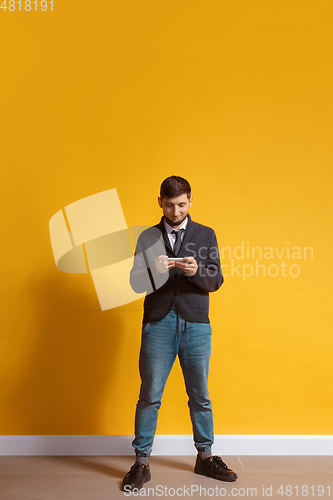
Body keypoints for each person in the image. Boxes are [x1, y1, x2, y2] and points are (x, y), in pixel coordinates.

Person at [122, 176, 237, 492]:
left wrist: (196, 271)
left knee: (200, 395)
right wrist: (156, 271)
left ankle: (205, 456)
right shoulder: (148, 237)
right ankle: (141, 462)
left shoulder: (205, 234)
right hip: (158, 323)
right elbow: (135, 284)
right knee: (150, 395)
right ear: (160, 201)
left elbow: (216, 281)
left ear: (190, 201)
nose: (175, 210)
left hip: (197, 323)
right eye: (170, 204)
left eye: (182, 204)